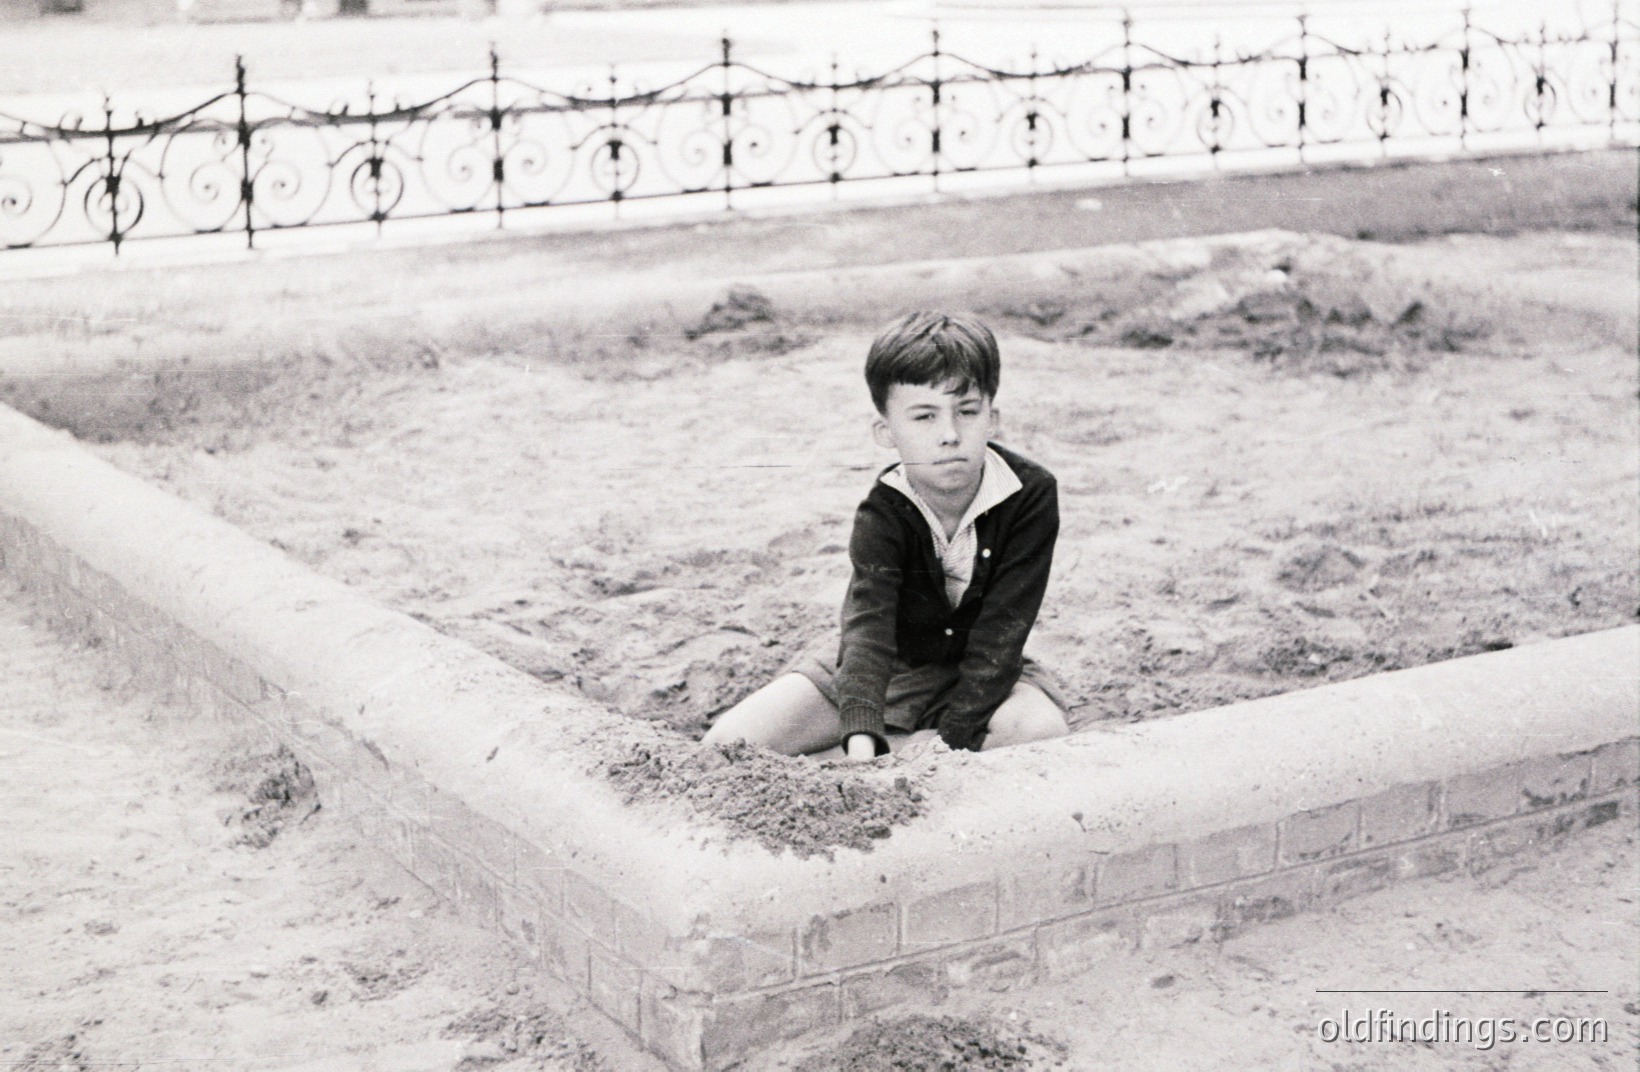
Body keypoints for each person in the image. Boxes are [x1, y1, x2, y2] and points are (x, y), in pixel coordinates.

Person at [703, 311, 1070, 762]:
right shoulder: (884, 510)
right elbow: (868, 630)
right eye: (924, 417)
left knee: (1038, 731)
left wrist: (948, 744)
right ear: (886, 431)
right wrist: (861, 736)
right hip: (889, 664)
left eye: (967, 411)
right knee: (727, 746)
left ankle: (902, 750)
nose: (950, 435)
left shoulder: (1029, 494)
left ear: (992, 418)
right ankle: (884, 749)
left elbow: (1002, 631)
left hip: (980, 671)